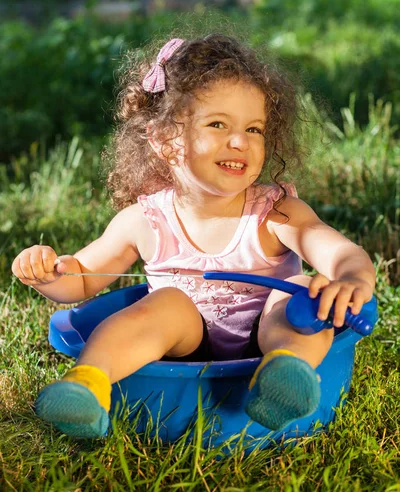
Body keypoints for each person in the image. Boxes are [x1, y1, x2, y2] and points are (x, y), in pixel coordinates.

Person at [12, 34, 375, 439]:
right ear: (166, 141)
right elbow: (83, 277)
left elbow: (337, 249)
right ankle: (88, 385)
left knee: (297, 291)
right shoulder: (144, 221)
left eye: (253, 128)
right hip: (186, 343)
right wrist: (49, 273)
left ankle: (285, 378)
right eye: (218, 124)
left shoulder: (274, 213)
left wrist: (353, 278)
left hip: (271, 338)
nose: (240, 141)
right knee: (165, 304)